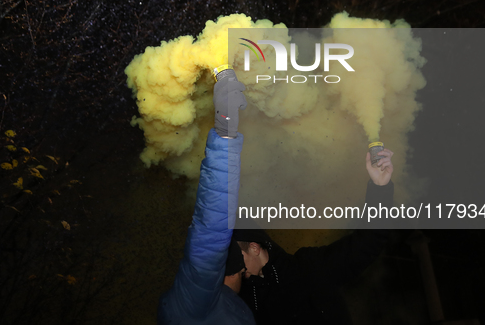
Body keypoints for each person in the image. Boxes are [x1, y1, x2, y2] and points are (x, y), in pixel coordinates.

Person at [232, 148, 396, 324]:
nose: (232, 266)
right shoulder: (243, 300)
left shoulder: (308, 267)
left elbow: (366, 243)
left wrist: (380, 189)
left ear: (255, 248)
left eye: (236, 258)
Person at [158, 68, 256, 325]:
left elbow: (211, 236)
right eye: (244, 270)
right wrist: (225, 130)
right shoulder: (195, 303)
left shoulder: (198, 305)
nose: (246, 275)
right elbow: (210, 235)